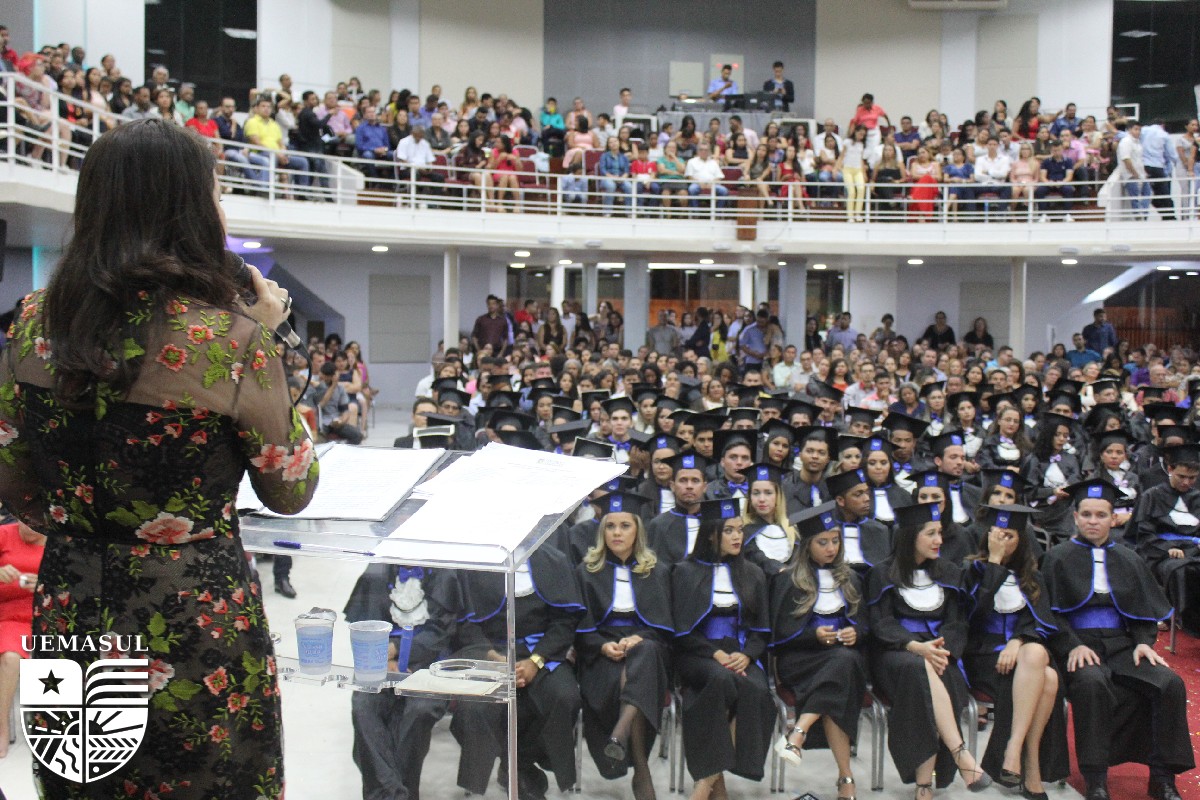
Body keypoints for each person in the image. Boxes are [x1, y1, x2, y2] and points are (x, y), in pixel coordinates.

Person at [0, 119, 315, 798]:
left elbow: (19, 490)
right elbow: (290, 489)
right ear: (190, 209)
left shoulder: (30, 323)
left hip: (72, 603)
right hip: (190, 618)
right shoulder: (230, 338)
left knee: (82, 782)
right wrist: (264, 339)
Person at [1042, 479, 1192, 800]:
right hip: (1078, 645)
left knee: (1169, 683)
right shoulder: (1057, 558)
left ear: (1113, 518)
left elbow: (1141, 611)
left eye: (1101, 515)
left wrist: (1143, 641)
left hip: (1122, 645)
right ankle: (1096, 779)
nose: (1093, 521)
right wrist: (1072, 645)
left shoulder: (1129, 558)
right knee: (1092, 683)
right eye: (1086, 514)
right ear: (1075, 517)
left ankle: (1162, 778)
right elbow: (1048, 614)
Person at [867, 502, 991, 796]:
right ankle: (960, 754)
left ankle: (925, 784)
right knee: (918, 669)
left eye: (940, 533)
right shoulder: (882, 573)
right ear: (911, 536)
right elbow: (880, 623)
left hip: (939, 653)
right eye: (931, 534)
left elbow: (957, 623)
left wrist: (939, 650)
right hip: (896, 653)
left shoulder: (949, 572)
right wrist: (915, 646)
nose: (939, 540)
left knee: (935, 676)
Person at [451, 547, 585, 798]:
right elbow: (466, 625)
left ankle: (517, 764)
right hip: (492, 654)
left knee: (564, 698)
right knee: (474, 709)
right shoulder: (474, 564)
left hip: (542, 651)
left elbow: (564, 621)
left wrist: (535, 661)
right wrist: (495, 658)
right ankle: (520, 770)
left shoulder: (554, 560)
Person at [962, 505, 1069, 797]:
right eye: (997, 534)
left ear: (1021, 540)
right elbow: (972, 616)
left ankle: (1014, 749)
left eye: (1009, 536)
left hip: (1023, 657)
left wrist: (1017, 641)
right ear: (988, 536)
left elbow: (1043, 623)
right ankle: (1030, 767)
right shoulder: (972, 571)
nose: (1002, 541)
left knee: (1036, 654)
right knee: (1048, 678)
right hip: (985, 657)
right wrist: (994, 564)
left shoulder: (1032, 577)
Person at [672, 498, 774, 799]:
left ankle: (706, 784)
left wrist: (748, 655)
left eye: (740, 530)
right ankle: (713, 785)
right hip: (698, 653)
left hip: (740, 653)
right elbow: (681, 631)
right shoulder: (684, 571)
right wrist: (715, 653)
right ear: (710, 534)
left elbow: (761, 630)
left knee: (756, 690)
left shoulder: (753, 573)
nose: (737, 537)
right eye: (729, 530)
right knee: (720, 680)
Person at [575, 492, 672, 800]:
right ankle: (641, 769)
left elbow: (664, 628)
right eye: (611, 526)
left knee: (646, 653)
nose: (617, 533)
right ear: (602, 531)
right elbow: (580, 628)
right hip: (602, 654)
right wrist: (603, 646)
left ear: (637, 531)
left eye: (625, 526)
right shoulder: (586, 572)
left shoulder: (656, 570)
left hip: (647, 648)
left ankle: (620, 733)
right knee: (635, 678)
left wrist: (640, 638)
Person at [770, 503, 869, 800]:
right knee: (843, 672)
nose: (831, 548)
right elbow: (779, 635)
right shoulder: (788, 579)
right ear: (807, 545)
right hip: (800, 660)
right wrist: (812, 635)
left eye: (835, 541)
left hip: (841, 661)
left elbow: (866, 624)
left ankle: (799, 731)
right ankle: (846, 779)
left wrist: (855, 632)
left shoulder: (851, 579)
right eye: (822, 542)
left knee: (844, 663)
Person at [345, 565, 458, 800]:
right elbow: (365, 625)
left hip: (429, 664)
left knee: (420, 711)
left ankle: (391, 792)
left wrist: (399, 651)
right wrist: (383, 657)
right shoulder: (377, 572)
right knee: (363, 707)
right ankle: (395, 794)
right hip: (381, 662)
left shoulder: (444, 574)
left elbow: (442, 632)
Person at [1133, 443, 1200, 634]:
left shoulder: (1198, 497)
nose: (1186, 482)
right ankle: (1183, 618)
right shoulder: (1152, 496)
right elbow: (1144, 534)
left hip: (1194, 551)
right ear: (1170, 469)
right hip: (1161, 552)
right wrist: (1167, 548)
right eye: (1181, 476)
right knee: (1180, 570)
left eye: (1192, 478)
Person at [0, 520, 45, 755]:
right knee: (10, 657)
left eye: (35, 525)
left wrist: (43, 585)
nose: (28, 529)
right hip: (8, 615)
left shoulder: (58, 544)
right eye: (24, 523)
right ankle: (1, 727)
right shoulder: (4, 535)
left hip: (41, 615)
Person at [1117, 121, 1151, 219]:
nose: (1138, 132)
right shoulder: (1126, 142)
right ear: (1129, 130)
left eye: (1139, 130)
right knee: (1135, 197)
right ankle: (1139, 217)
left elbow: (1139, 160)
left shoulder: (1138, 143)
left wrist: (1143, 173)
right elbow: (1126, 159)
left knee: (1147, 193)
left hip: (1141, 175)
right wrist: (1134, 173)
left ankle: (1143, 215)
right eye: (1136, 129)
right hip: (1131, 175)